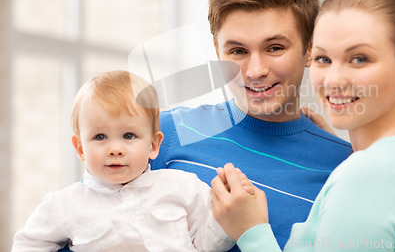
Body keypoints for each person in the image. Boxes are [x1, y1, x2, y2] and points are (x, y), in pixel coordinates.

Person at [211, 0, 395, 251]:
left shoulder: (368, 176)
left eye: (359, 59)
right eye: (323, 59)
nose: (334, 80)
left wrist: (252, 232)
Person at [150, 0, 352, 251]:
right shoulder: (160, 134)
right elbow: (85, 229)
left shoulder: (345, 168)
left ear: (310, 48)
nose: (256, 71)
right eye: (238, 51)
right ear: (217, 51)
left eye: (275, 48)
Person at [13, 70, 234, 252]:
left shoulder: (184, 186)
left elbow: (208, 244)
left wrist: (230, 216)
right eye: (100, 137)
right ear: (80, 148)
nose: (115, 149)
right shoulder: (63, 205)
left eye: (129, 136)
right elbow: (27, 244)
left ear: (153, 145)